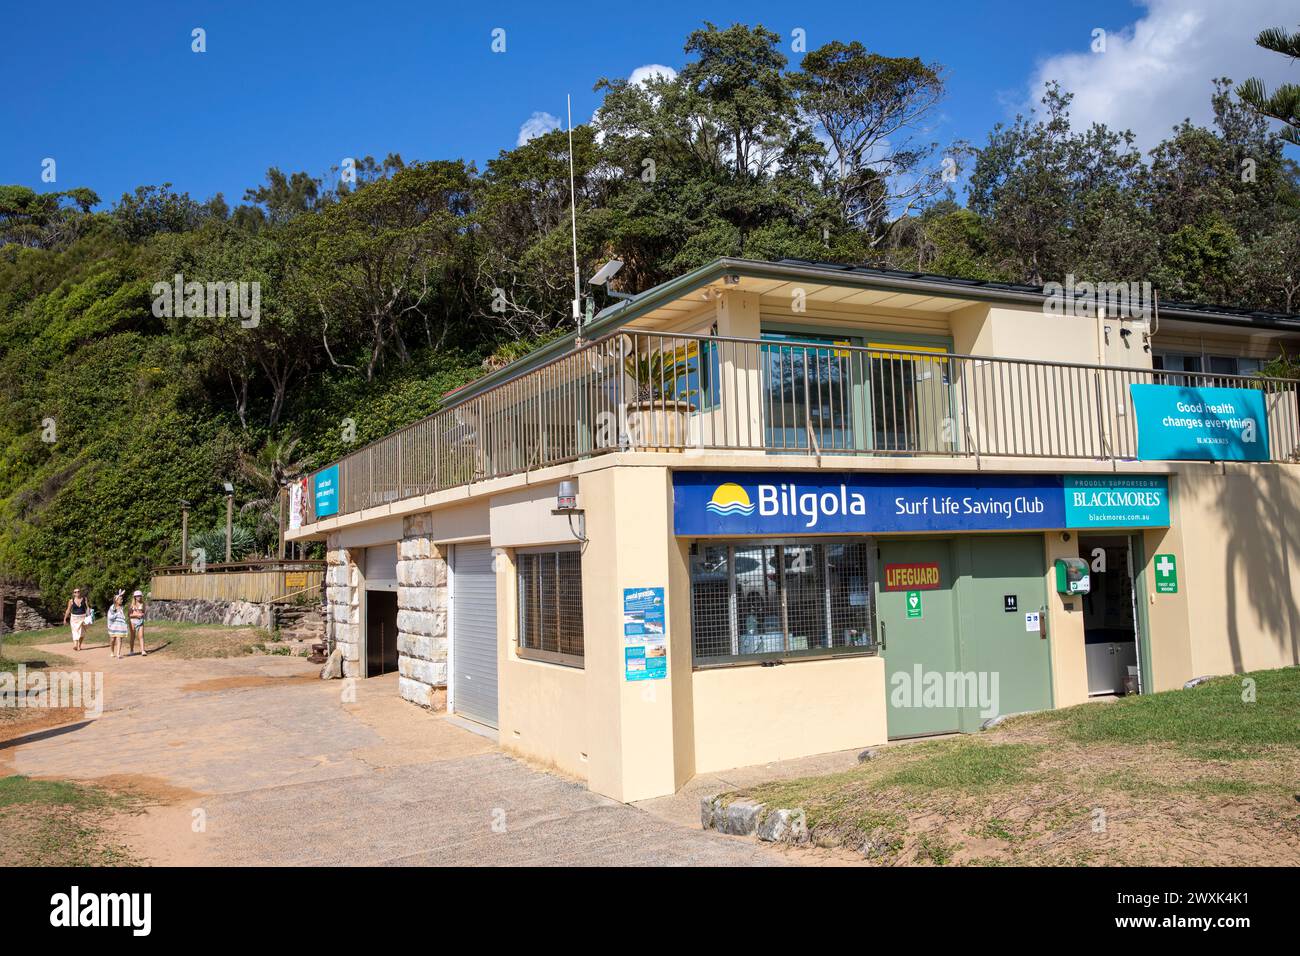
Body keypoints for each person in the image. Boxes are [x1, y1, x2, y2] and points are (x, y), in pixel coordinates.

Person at [62, 587, 90, 652]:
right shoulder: (71, 601)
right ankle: (75, 645)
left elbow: (87, 608)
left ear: (80, 592)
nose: (77, 593)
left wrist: (89, 616)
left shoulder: (84, 599)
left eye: (78, 591)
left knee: (82, 633)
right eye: (75, 592)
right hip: (74, 618)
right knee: (75, 631)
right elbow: (68, 610)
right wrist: (65, 619)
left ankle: (79, 645)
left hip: (83, 617)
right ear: (73, 594)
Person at [106, 590, 129, 659]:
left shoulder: (121, 608)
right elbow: (110, 617)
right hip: (113, 626)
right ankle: (112, 652)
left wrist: (125, 623)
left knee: (119, 639)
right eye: (120, 599)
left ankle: (118, 653)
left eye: (122, 599)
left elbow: (122, 617)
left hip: (120, 626)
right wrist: (116, 614)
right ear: (116, 600)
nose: (122, 600)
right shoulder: (112, 607)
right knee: (112, 639)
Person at [128, 590, 148, 656]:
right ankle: (131, 650)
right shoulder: (132, 605)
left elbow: (144, 612)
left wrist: (142, 614)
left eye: (140, 596)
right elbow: (129, 615)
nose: (139, 597)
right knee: (132, 636)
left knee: (141, 636)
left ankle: (143, 650)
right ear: (135, 597)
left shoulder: (143, 604)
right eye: (137, 596)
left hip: (140, 621)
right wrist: (136, 615)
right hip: (133, 621)